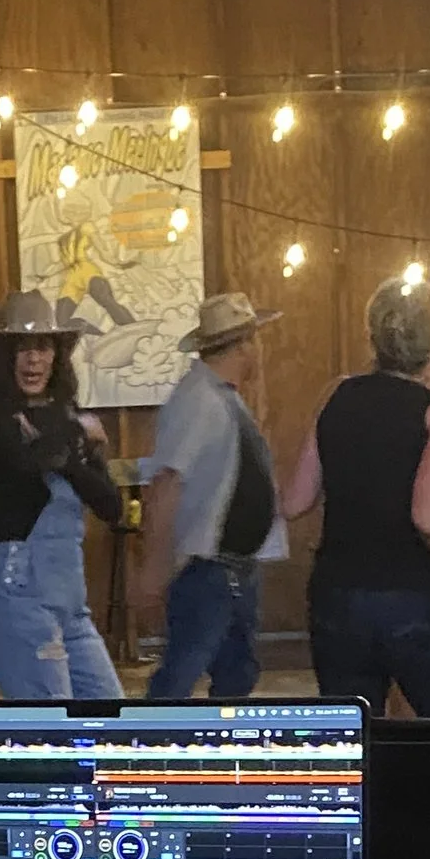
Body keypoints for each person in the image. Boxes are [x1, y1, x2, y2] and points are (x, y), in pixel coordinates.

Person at [278, 274, 430, 719]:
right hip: (419, 598)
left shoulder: (336, 393)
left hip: (338, 596)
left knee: (356, 742)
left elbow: (294, 501)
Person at [0, 290, 124, 701]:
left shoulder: (67, 420)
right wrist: (79, 438)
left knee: (110, 710)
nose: (33, 359)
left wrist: (71, 453)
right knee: (51, 725)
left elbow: (111, 504)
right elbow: (28, 465)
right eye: (21, 349)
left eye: (42, 347)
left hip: (70, 599)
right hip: (18, 590)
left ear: (56, 356)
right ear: (5, 358)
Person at [142, 290, 282, 702]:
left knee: (234, 675)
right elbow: (167, 483)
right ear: (243, 346)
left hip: (230, 570)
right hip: (210, 572)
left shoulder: (221, 397)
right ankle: (150, 752)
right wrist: (154, 570)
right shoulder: (199, 400)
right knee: (181, 675)